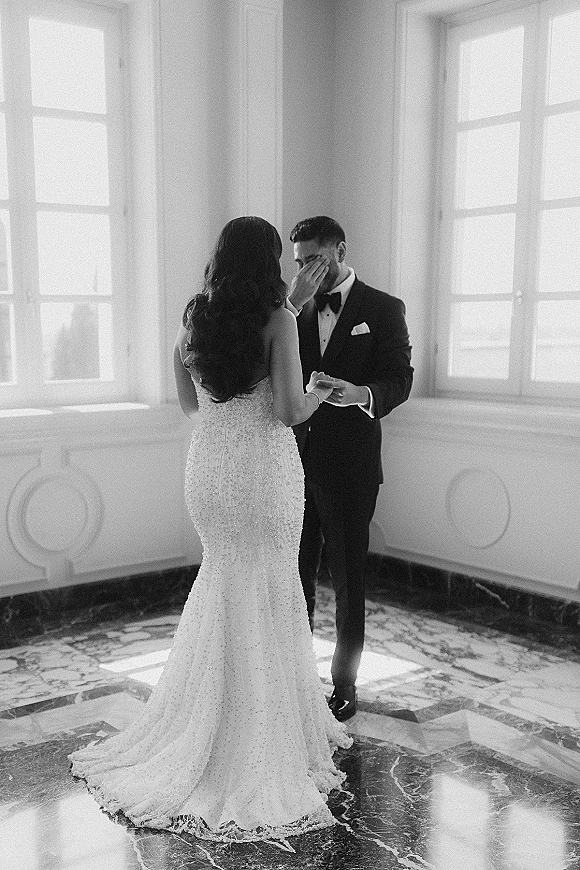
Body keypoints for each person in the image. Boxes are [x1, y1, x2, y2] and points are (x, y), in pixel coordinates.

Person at [68, 217, 352, 846]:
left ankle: (202, 726)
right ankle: (257, 739)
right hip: (265, 474)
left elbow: (190, 404)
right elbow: (286, 412)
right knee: (271, 588)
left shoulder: (195, 315)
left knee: (224, 584)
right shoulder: (278, 318)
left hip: (211, 474)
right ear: (268, 260)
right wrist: (319, 393)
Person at [286, 216, 413, 723]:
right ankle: (294, 676)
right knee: (293, 575)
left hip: (351, 466)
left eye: (316, 259)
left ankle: (344, 684)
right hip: (293, 463)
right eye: (299, 263)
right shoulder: (289, 309)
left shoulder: (383, 309)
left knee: (347, 577)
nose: (307, 271)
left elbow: (399, 379)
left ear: (339, 249)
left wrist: (360, 394)